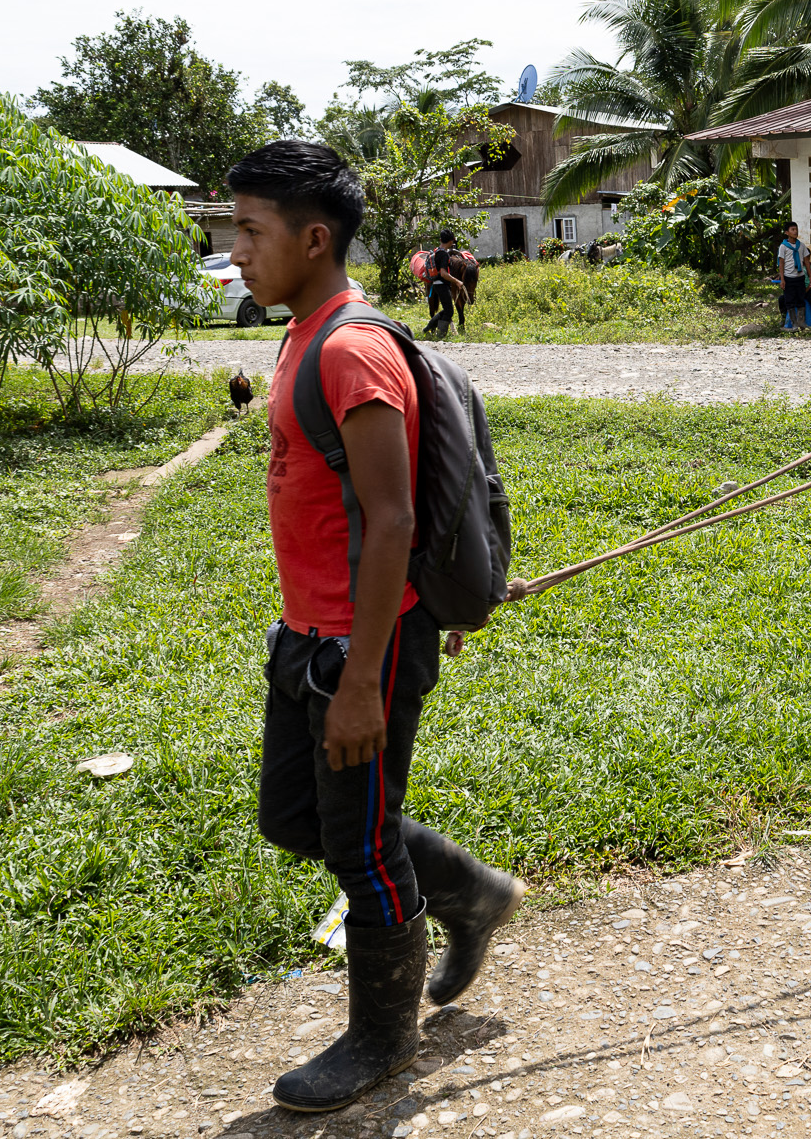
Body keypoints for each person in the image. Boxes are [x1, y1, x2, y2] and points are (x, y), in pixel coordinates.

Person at [226, 142, 525, 1115]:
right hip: (308, 636)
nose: (235, 252)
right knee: (295, 818)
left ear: (314, 240)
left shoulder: (351, 350)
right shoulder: (301, 332)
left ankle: (381, 1039)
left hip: (364, 646)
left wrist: (358, 679)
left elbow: (392, 519)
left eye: (249, 232)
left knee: (359, 851)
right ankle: (473, 894)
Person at [424, 229, 464, 339]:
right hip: (442, 284)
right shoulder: (444, 255)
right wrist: (457, 281)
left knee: (447, 310)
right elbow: (443, 273)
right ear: (451, 241)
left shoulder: (437, 251)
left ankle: (429, 329)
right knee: (449, 311)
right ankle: (440, 335)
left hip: (437, 284)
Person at [776, 221, 811, 330]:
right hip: (788, 277)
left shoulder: (801, 245)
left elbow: (806, 262)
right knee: (789, 301)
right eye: (792, 230)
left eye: (796, 229)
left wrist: (810, 276)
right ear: (787, 232)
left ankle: (801, 323)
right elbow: (781, 263)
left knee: (801, 299)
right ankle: (794, 324)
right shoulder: (783, 246)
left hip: (800, 277)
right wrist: (782, 279)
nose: (795, 232)